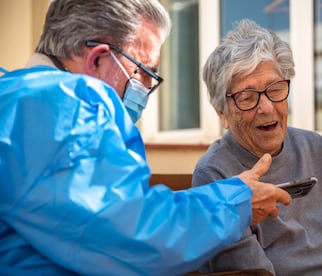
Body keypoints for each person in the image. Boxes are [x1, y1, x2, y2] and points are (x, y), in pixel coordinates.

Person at [0, 2, 292, 275]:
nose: (149, 86)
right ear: (99, 59)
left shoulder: (15, 96)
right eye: (144, 71)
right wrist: (237, 203)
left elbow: (98, 213)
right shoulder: (59, 105)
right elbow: (131, 235)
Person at [192, 19, 322, 276]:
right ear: (222, 113)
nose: (267, 107)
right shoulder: (214, 172)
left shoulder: (315, 147)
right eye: (247, 97)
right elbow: (254, 272)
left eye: (276, 89)